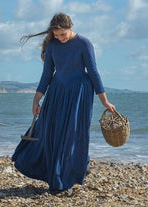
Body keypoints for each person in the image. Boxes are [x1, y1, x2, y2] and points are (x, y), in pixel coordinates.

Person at [11, 12, 116, 195]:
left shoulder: (84, 44)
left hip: (79, 94)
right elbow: (46, 74)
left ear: (71, 27)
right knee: (50, 133)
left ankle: (64, 180)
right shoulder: (52, 46)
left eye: (63, 35)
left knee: (72, 135)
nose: (60, 38)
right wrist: (36, 100)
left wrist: (104, 100)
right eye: (56, 35)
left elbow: (93, 72)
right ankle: (63, 171)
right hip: (57, 92)